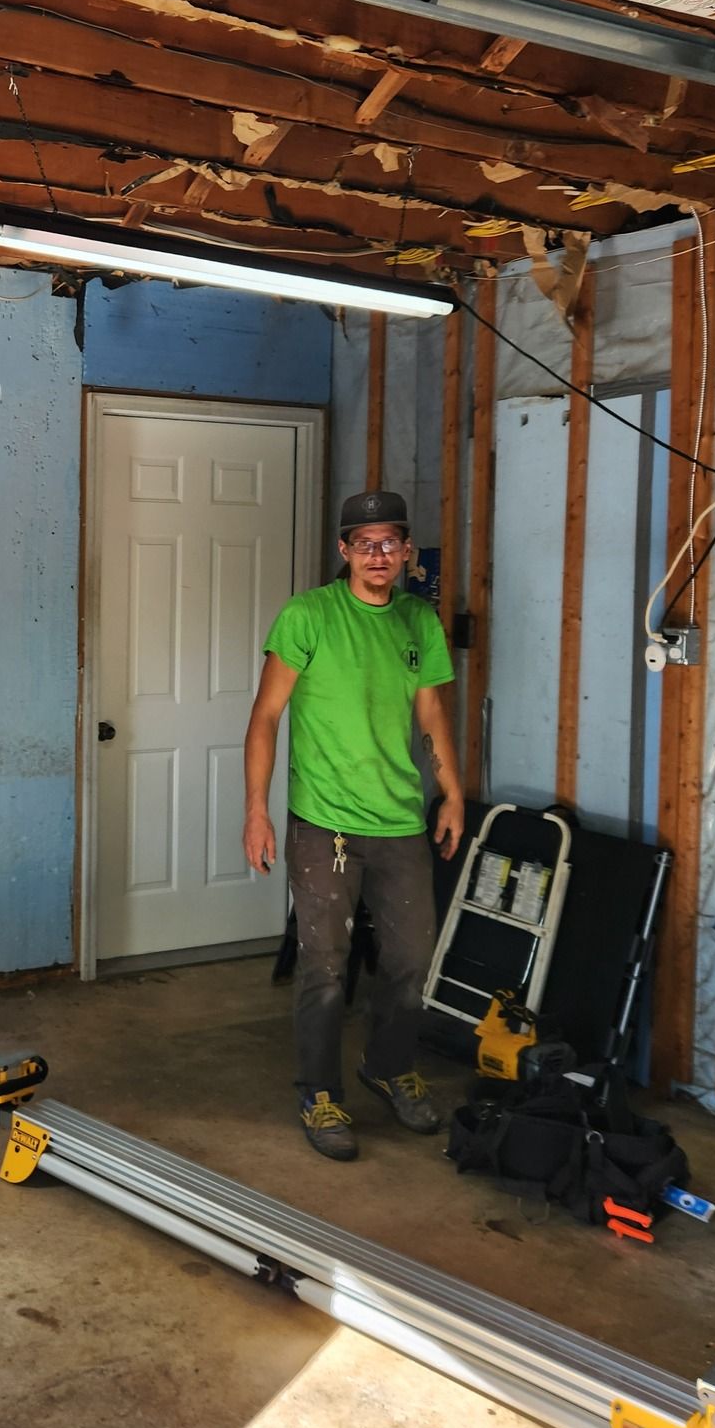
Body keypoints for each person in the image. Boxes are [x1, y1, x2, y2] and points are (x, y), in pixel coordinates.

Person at [243, 491, 464, 1160]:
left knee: (411, 962)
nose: (378, 555)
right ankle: (318, 1091)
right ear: (344, 551)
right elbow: (265, 716)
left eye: (389, 543)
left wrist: (453, 794)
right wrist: (256, 809)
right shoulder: (308, 616)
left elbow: (431, 714)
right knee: (326, 967)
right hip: (325, 824)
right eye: (364, 544)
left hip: (399, 821)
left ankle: (388, 1067)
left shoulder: (418, 621)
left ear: (406, 552)